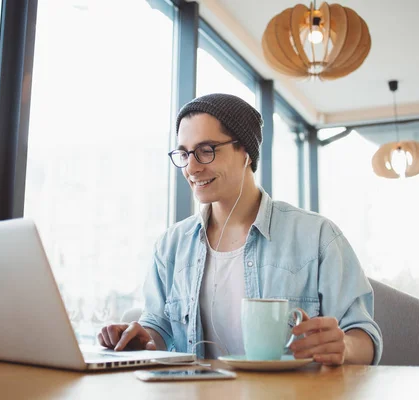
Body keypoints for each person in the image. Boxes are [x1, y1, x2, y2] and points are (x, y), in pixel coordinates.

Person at [98, 93, 382, 365]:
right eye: (184, 154)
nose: (192, 168)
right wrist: (141, 339)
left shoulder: (317, 236)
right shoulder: (171, 245)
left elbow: (364, 336)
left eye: (206, 151)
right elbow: (157, 327)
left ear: (245, 151)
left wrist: (343, 346)